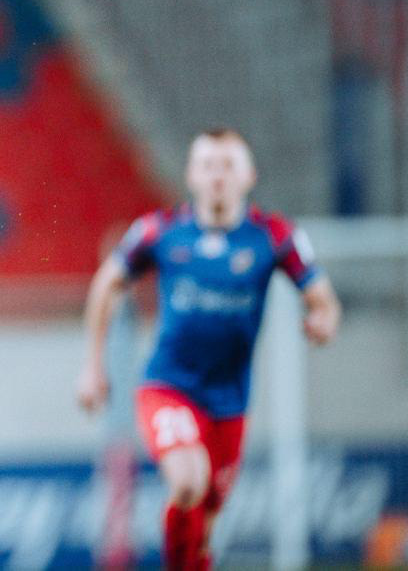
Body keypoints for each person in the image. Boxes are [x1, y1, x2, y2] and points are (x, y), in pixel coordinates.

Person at [76, 128, 342, 570]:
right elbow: (107, 282)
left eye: (228, 165)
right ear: (191, 175)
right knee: (187, 482)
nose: (218, 175)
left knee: (204, 528)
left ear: (249, 175)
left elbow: (323, 299)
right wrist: (92, 366)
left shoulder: (274, 236)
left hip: (230, 403)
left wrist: (323, 321)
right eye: (208, 165)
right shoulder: (160, 230)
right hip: (168, 387)